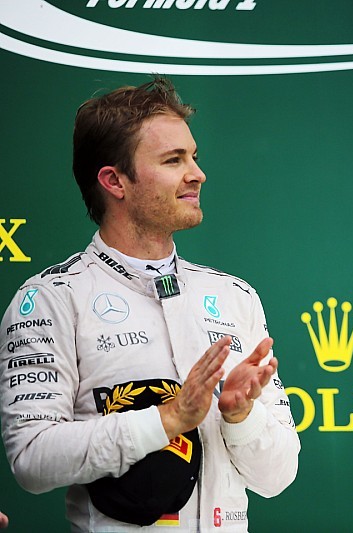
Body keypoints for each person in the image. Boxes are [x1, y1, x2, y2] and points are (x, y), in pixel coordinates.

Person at [0, 78, 300, 531]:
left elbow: (278, 478)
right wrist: (167, 419)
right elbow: (32, 460)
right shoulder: (52, 299)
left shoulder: (236, 297)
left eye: (193, 156)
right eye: (173, 160)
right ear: (114, 181)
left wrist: (240, 415)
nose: (197, 173)